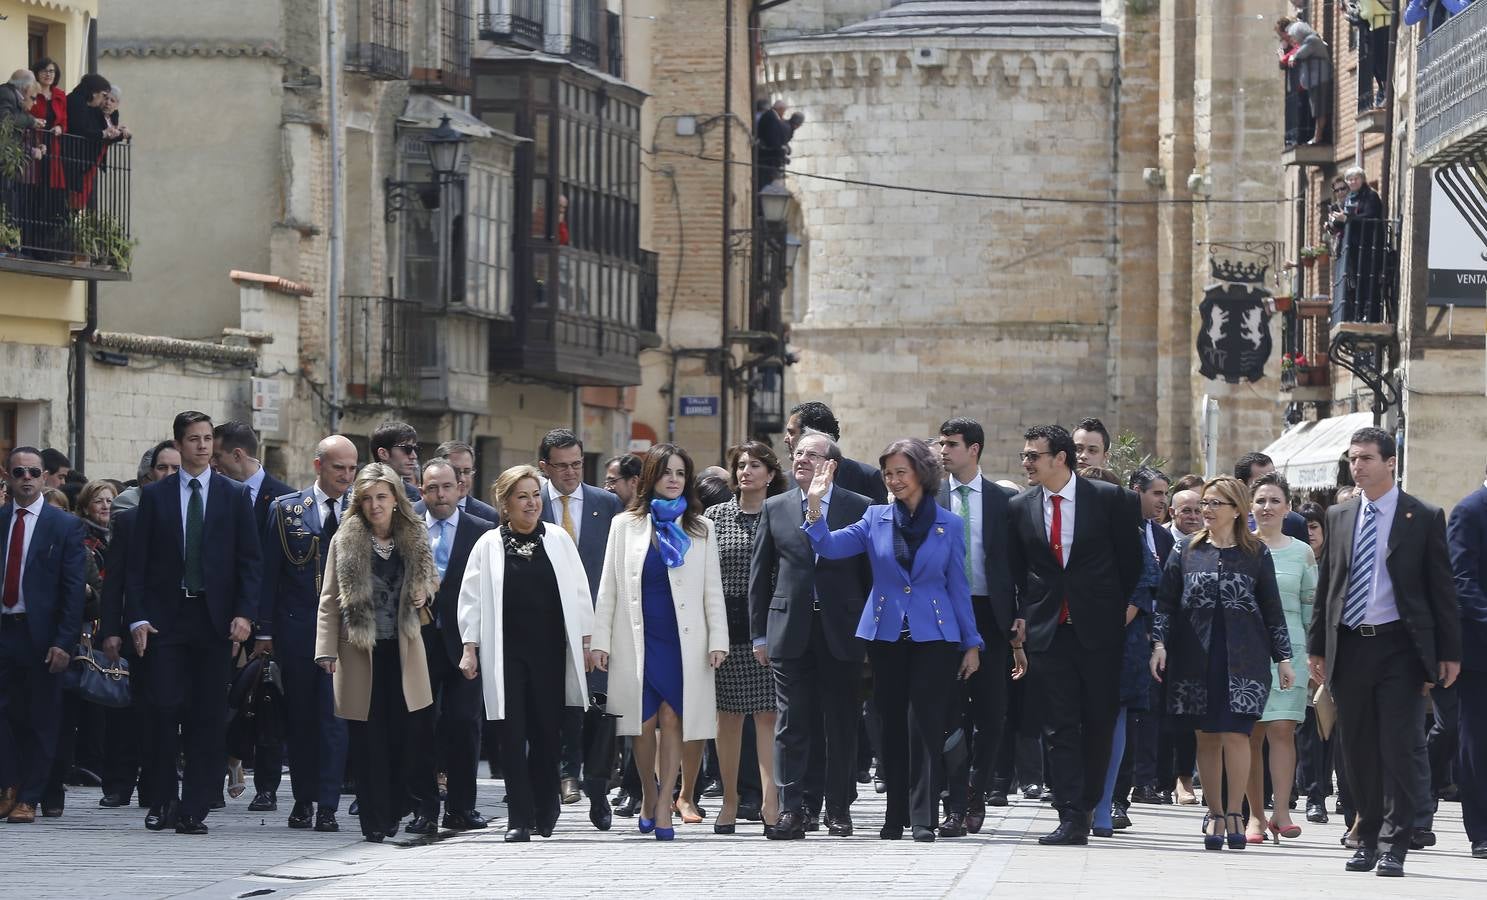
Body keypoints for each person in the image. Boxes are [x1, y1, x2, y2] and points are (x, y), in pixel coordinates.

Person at [803, 438, 982, 843]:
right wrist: (815, 504)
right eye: (888, 473)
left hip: (935, 635)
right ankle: (894, 814)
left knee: (926, 725)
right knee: (890, 726)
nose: (894, 480)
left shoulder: (949, 524)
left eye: (902, 472)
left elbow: (958, 585)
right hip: (885, 634)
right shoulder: (875, 517)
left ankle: (922, 816)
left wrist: (971, 642)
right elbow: (829, 547)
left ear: (922, 473)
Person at [1308, 428, 1461, 877]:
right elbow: (1327, 589)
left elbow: (1442, 590)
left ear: (1390, 462)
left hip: (1399, 646)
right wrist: (1318, 646)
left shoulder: (1424, 516)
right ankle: (1367, 835)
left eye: (1367, 458)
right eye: (1353, 459)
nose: (1358, 466)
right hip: (1350, 644)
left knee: (1397, 744)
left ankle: (1396, 842)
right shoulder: (1339, 516)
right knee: (1355, 747)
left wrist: (1447, 653)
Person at [117, 411, 261, 835]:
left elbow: (250, 562)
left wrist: (244, 614)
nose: (201, 446)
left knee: (206, 714)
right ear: (178, 445)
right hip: (166, 618)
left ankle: (195, 807)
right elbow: (137, 566)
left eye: (206, 439)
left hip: (213, 619)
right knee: (161, 709)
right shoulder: (156, 496)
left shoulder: (233, 496)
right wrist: (137, 617)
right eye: (192, 439)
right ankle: (162, 800)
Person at [1007, 424, 1143, 845]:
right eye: (1025, 455)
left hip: (1100, 630)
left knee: (1099, 722)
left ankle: (1087, 804)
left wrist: (1110, 609)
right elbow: (1019, 569)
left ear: (1059, 458)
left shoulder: (1111, 500)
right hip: (1049, 631)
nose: (1026, 462)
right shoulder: (1020, 506)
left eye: (1034, 455)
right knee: (1058, 725)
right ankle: (1068, 813)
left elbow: (1130, 564)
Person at [591, 443, 728, 842]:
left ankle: (668, 798)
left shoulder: (702, 528)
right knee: (641, 722)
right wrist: (600, 640)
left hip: (683, 641)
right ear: (651, 477)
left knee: (673, 719)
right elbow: (609, 587)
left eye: (681, 473)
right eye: (666, 472)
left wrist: (717, 638)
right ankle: (649, 793)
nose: (673, 479)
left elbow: (712, 591)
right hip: (637, 637)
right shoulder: (625, 525)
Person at [1152, 475, 1295, 851]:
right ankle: (1214, 812)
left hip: (1244, 658)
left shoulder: (1256, 553)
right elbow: (1165, 602)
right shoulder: (1185, 550)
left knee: (1237, 734)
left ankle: (1236, 811)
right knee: (1207, 735)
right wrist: (1159, 644)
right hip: (1194, 656)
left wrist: (1284, 658)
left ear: (1236, 510)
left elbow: (1272, 609)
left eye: (1215, 503)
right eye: (1204, 503)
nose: (1206, 510)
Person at [456, 465, 594, 842]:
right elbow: (471, 600)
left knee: (548, 734)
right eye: (522, 496)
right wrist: (470, 648)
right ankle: (519, 817)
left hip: (551, 651)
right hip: (506, 654)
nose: (532, 503)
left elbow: (580, 593)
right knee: (511, 735)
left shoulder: (558, 539)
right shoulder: (488, 544)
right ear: (505, 503)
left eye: (535, 495)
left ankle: (544, 809)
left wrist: (586, 644)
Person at [750, 431, 872, 840]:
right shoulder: (776, 507)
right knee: (792, 722)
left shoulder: (860, 507)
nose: (801, 458)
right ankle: (792, 810)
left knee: (840, 723)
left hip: (842, 630)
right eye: (798, 452)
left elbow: (869, 577)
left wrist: (869, 632)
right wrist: (759, 635)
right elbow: (760, 578)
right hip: (789, 629)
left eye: (812, 454)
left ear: (831, 465)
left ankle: (838, 808)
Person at [314, 462, 439, 843]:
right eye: (366, 498)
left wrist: (425, 592)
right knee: (367, 742)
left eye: (381, 497)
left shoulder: (414, 533)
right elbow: (330, 598)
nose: (374, 505)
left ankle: (400, 806)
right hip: (359, 652)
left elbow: (432, 577)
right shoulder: (345, 538)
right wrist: (325, 650)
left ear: (396, 499)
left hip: (404, 652)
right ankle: (374, 820)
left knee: (405, 737)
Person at [251, 435, 357, 833]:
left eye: (352, 468)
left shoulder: (364, 510)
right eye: (338, 468)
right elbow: (269, 575)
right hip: (298, 629)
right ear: (318, 466)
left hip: (347, 634)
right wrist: (264, 631)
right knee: (300, 720)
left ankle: (327, 804)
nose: (346, 476)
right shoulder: (287, 509)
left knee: (334, 719)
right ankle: (303, 799)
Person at [935, 417, 1024, 837]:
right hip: (942, 612)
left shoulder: (1004, 501)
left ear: (974, 449)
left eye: (952, 444)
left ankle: (976, 791)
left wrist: (1019, 619)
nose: (944, 450)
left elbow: (1017, 564)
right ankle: (952, 799)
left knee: (991, 713)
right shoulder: (931, 496)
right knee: (947, 710)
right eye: (941, 443)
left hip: (991, 615)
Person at [537, 428, 623, 825]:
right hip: (547, 625)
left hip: (598, 623)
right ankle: (561, 777)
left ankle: (598, 785)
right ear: (544, 467)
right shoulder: (531, 502)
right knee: (555, 708)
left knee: (600, 708)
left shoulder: (606, 504)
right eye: (562, 465)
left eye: (577, 464)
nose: (571, 473)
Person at [704, 441, 787, 835]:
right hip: (725, 628)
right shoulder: (715, 516)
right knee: (729, 719)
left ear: (771, 474)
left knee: (768, 717)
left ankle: (772, 802)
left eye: (755, 465)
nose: (745, 472)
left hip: (771, 628)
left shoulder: (783, 512)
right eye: (740, 465)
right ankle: (730, 800)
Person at [407, 458, 494, 834]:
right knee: (420, 725)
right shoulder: (407, 529)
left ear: (460, 488)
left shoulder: (483, 531)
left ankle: (462, 807)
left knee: (464, 723)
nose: (440, 495)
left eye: (446, 487)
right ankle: (424, 809)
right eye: (431, 488)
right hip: (419, 641)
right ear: (421, 490)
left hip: (466, 643)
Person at [0, 448, 87, 824]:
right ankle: (10, 782)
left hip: (41, 635)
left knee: (41, 718)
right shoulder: (1, 519)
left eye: (33, 472)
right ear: (8, 476)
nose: (26, 478)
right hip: (4, 629)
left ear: (43, 476)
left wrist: (63, 641)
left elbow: (73, 590)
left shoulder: (63, 525)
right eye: (18, 471)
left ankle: (30, 797)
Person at [1079, 467, 1158, 838]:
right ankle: (1078, 801)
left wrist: (1117, 621)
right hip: (1074, 638)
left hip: (1121, 642)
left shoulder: (1133, 534)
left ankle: (1105, 804)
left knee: (1115, 722)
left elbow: (1146, 581)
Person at [1241, 473, 1317, 843]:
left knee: (1283, 730)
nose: (1267, 507)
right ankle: (1255, 815)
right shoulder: (1241, 547)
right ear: (1249, 507)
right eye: (1260, 500)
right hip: (1249, 651)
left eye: (1274, 500)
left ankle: (1281, 811)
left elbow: (1309, 607)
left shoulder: (1302, 551)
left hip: (1294, 649)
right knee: (1252, 734)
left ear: (1288, 508)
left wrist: (1315, 654)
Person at [1118, 467, 1176, 814]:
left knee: (1148, 713)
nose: (1162, 501)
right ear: (1135, 490)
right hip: (1123, 632)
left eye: (1164, 494)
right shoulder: (1122, 527)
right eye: (1156, 493)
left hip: (1152, 635)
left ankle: (1145, 781)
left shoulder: (1163, 537)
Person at [1447, 465, 1487, 859]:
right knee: (1478, 742)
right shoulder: (1471, 510)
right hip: (1481, 649)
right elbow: (1461, 579)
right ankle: (1482, 830)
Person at [785, 402, 888, 503]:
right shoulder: (783, 482)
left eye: (791, 432)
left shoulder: (866, 478)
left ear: (815, 434)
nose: (786, 439)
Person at [212, 420, 295, 531]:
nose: (212, 463)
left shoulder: (287, 499)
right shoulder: (212, 492)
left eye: (217, 456)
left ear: (237, 455)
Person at [1330, 166, 1386, 323]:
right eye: (1349, 179)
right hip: (1352, 248)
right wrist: (1334, 224)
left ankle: (1369, 315)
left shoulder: (1370, 196)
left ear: (1362, 179)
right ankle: (1358, 314)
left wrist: (1347, 219)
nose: (1352, 182)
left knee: (1369, 281)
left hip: (1368, 247)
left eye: (1355, 178)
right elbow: (1345, 222)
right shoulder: (1349, 198)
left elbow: (1370, 216)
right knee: (1355, 283)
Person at [433, 439, 500, 525]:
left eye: (467, 471)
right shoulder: (416, 512)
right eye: (456, 471)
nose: (462, 479)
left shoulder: (489, 516)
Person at [1286, 21, 1332, 145]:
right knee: (1316, 109)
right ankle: (1317, 135)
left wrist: (1292, 57)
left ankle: (1318, 136)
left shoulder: (1312, 40)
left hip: (1319, 79)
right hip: (1315, 79)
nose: (1294, 39)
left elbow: (1300, 54)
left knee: (1319, 109)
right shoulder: (1310, 40)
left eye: (1294, 36)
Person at [370, 421, 421, 501]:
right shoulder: (360, 491)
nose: (414, 456)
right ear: (383, 453)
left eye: (415, 449)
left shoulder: (415, 495)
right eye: (407, 449)